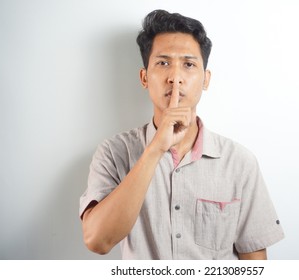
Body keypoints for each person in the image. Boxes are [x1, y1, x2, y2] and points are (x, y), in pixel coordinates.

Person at [79, 9, 284, 260]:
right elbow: (97, 240)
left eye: (188, 64)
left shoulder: (240, 162)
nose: (175, 78)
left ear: (205, 79)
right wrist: (155, 149)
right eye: (163, 63)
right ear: (144, 77)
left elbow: (254, 262)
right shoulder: (113, 152)